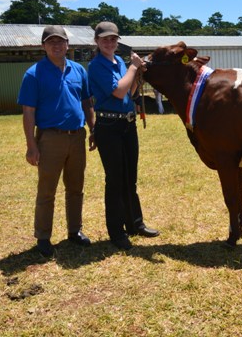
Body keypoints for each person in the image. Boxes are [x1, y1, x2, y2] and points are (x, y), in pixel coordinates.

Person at [17, 25, 95, 256]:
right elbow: (28, 111)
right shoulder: (34, 74)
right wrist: (31, 145)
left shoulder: (78, 70)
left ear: (67, 45)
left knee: (75, 188)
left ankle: (74, 230)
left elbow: (87, 103)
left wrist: (93, 129)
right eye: (51, 42)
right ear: (44, 46)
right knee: (47, 190)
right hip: (50, 138)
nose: (57, 45)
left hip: (77, 137)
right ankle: (43, 237)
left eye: (61, 41)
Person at [88, 21, 160, 250]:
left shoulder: (119, 61)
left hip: (127, 124)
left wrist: (137, 73)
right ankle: (116, 231)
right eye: (105, 39)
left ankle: (135, 223)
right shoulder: (96, 65)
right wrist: (132, 68)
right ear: (97, 42)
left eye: (113, 38)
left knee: (130, 177)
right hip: (109, 126)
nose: (110, 42)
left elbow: (129, 91)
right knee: (115, 179)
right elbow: (118, 92)